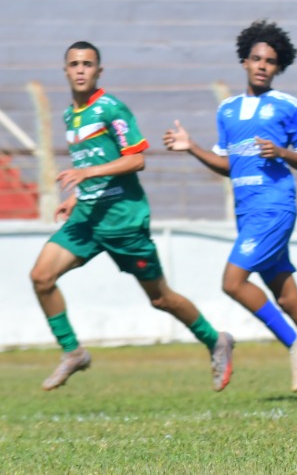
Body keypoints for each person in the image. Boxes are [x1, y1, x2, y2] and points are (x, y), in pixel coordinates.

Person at [163, 21, 297, 400]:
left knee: (233, 282)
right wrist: (191, 147)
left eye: (270, 61)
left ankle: (295, 342)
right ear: (244, 61)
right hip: (247, 212)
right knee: (288, 298)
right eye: (256, 58)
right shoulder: (226, 111)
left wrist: (283, 153)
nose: (262, 65)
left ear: (278, 67)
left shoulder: (289, 106)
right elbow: (227, 165)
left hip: (274, 207)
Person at [29, 42, 235, 392]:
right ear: (65, 70)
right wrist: (76, 196)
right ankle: (73, 352)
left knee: (160, 299)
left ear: (99, 71)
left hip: (124, 221)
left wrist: (88, 174)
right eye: (74, 64)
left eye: (87, 64)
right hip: (87, 219)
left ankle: (216, 340)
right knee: (41, 277)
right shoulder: (69, 115)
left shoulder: (111, 109)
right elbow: (89, 165)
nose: (81, 69)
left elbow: (136, 159)